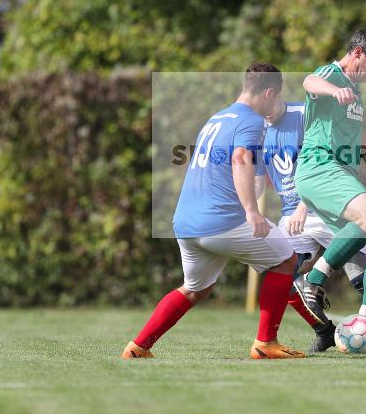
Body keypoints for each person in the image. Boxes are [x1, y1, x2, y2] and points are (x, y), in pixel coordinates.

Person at [122, 63, 305, 360]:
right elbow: (241, 158)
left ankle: (139, 346)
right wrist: (251, 211)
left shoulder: (217, 118)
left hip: (186, 223)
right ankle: (266, 342)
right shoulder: (252, 120)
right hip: (222, 221)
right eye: (276, 98)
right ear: (270, 92)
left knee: (195, 288)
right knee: (286, 260)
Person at [262, 97, 366, 352]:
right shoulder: (257, 127)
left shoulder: (305, 113)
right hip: (292, 217)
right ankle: (324, 331)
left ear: (272, 93)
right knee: (279, 277)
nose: (262, 113)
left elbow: (346, 135)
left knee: (362, 276)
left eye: (264, 106)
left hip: (327, 207)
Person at [293, 28, 366, 341]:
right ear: (357, 52)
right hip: (320, 168)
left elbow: (350, 130)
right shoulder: (332, 75)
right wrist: (332, 90)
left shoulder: (354, 90)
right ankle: (312, 280)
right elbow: (309, 81)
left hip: (338, 173)